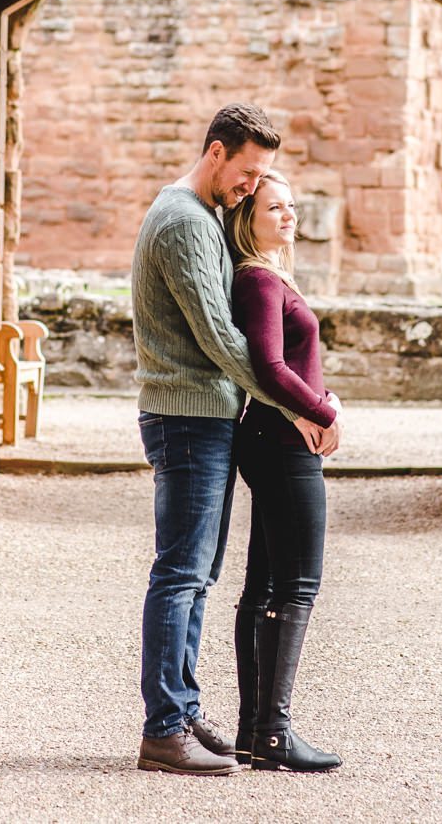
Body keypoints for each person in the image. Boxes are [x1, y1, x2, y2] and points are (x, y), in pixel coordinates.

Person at [131, 104, 311, 776]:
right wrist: (295, 400)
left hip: (202, 417)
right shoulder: (182, 220)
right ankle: (163, 728)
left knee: (198, 574)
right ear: (215, 153)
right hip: (186, 419)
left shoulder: (200, 214)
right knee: (180, 573)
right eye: (247, 172)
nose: (250, 186)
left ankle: (179, 708)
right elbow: (218, 337)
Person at [226, 171, 344, 772]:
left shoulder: (268, 276)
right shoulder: (259, 280)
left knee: (266, 585)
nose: (289, 215)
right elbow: (269, 367)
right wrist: (325, 411)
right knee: (297, 583)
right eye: (275, 207)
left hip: (275, 439)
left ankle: (255, 733)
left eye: (292, 206)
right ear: (248, 218)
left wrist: (322, 404)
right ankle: (272, 732)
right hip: (281, 443)